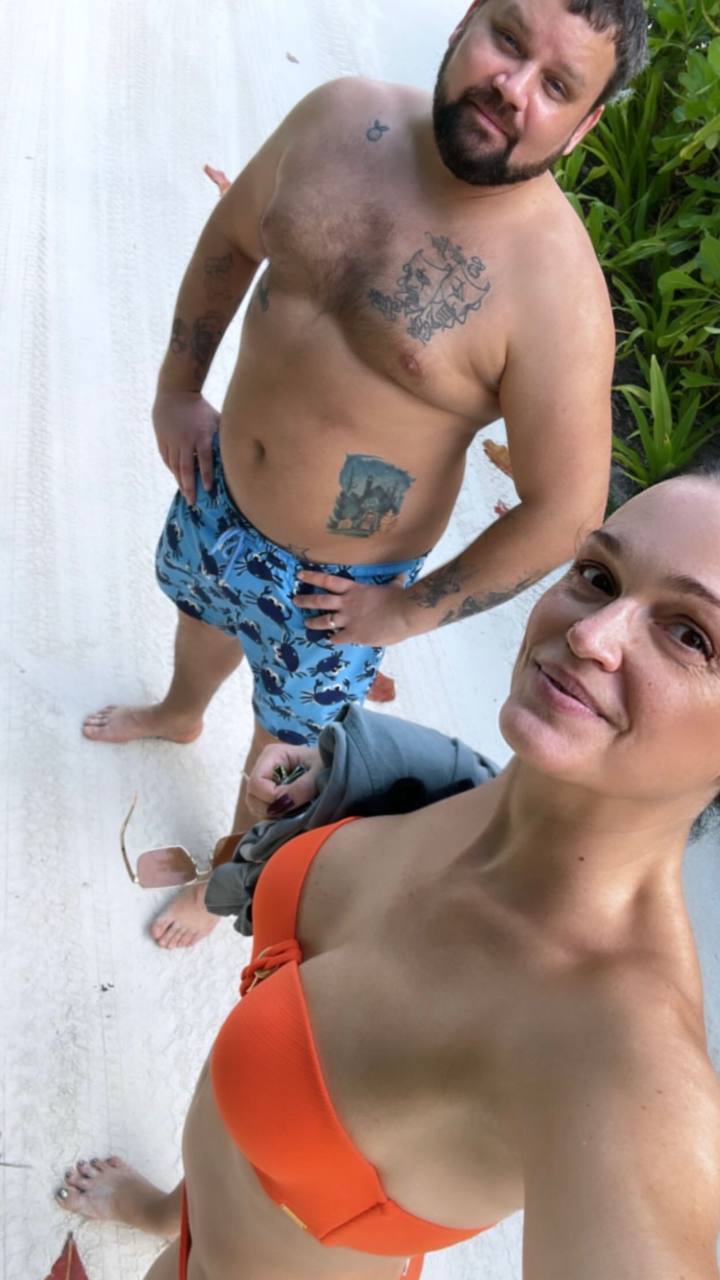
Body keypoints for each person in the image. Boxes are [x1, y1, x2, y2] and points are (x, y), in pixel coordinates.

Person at [82, 0, 648, 948]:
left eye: (556, 85)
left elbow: (565, 509)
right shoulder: (339, 117)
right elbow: (232, 237)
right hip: (217, 491)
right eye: (507, 39)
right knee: (200, 612)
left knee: (281, 756)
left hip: (337, 591)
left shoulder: (557, 295)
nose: (513, 88)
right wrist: (177, 389)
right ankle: (181, 713)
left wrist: (407, 612)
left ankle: (224, 872)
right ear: (465, 23)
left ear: (585, 124)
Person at [58, 473, 720, 1278]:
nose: (591, 634)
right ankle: (168, 1209)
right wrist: (343, 773)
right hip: (222, 1209)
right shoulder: (459, 796)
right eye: (599, 576)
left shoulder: (625, 1061)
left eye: (691, 636)